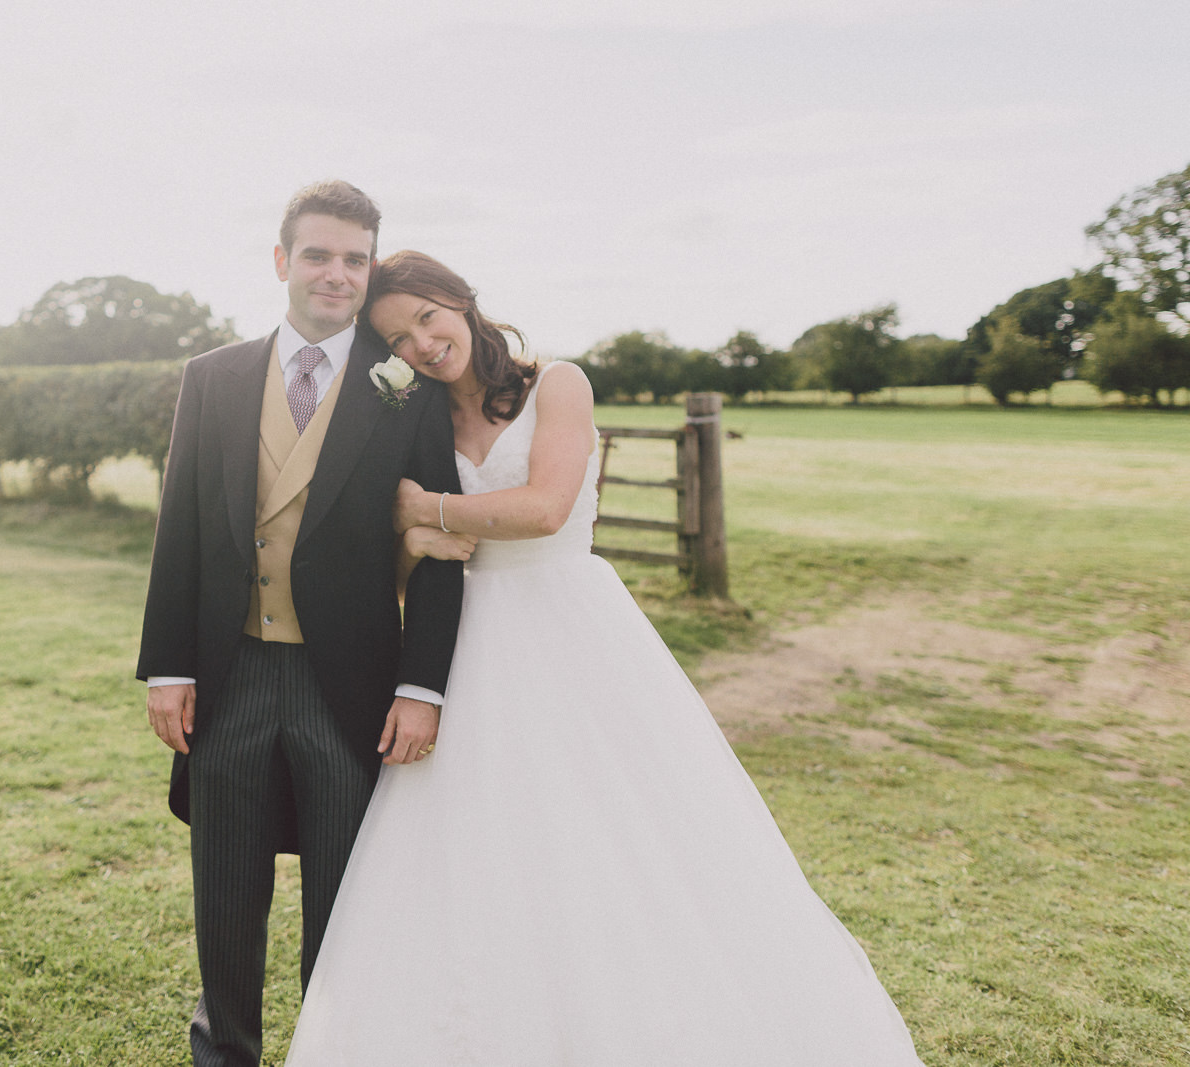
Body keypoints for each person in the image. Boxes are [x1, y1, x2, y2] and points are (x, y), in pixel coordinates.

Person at [283, 251, 928, 1066]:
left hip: (570, 627)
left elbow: (547, 507)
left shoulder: (559, 384)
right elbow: (413, 559)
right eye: (398, 340)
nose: (421, 344)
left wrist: (429, 508)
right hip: (469, 645)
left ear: (462, 302)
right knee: (477, 842)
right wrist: (414, 537)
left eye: (427, 318)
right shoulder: (419, 421)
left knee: (616, 828)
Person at [135, 184, 465, 1067]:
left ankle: (338, 1051)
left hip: (350, 684)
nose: (337, 274)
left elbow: (439, 550)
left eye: (355, 259)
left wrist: (421, 685)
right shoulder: (214, 376)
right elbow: (183, 526)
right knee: (227, 897)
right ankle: (225, 1054)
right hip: (229, 671)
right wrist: (168, 664)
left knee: (346, 906)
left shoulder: (409, 392)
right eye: (318, 255)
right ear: (282, 262)